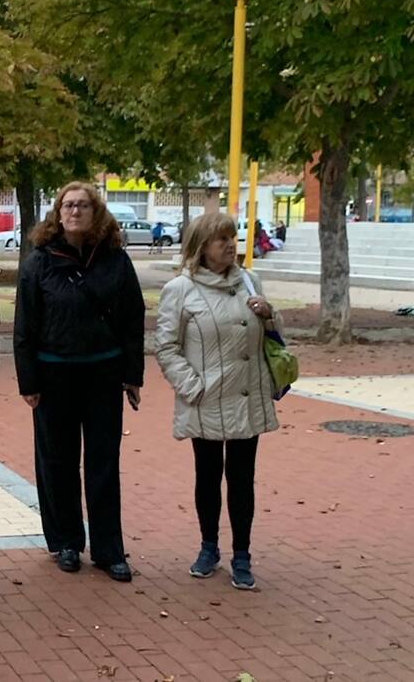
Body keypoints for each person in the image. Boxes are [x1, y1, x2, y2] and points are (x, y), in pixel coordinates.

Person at [13, 182, 144, 582]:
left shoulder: (115, 261)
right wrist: (28, 381)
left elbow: (132, 318)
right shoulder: (39, 262)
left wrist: (132, 375)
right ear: (57, 212)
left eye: (83, 205)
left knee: (104, 462)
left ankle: (108, 549)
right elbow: (24, 325)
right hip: (53, 374)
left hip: (102, 373)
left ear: (95, 212)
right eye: (68, 205)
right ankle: (66, 541)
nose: (75, 212)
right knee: (58, 461)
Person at [154, 212, 282, 591]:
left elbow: (273, 337)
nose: (230, 244)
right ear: (200, 247)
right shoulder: (180, 289)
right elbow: (166, 346)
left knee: (242, 478)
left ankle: (241, 554)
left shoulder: (249, 280)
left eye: (232, 237)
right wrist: (193, 387)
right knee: (208, 476)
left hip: (247, 395)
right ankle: (208, 546)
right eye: (220, 239)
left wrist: (270, 315)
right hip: (207, 397)